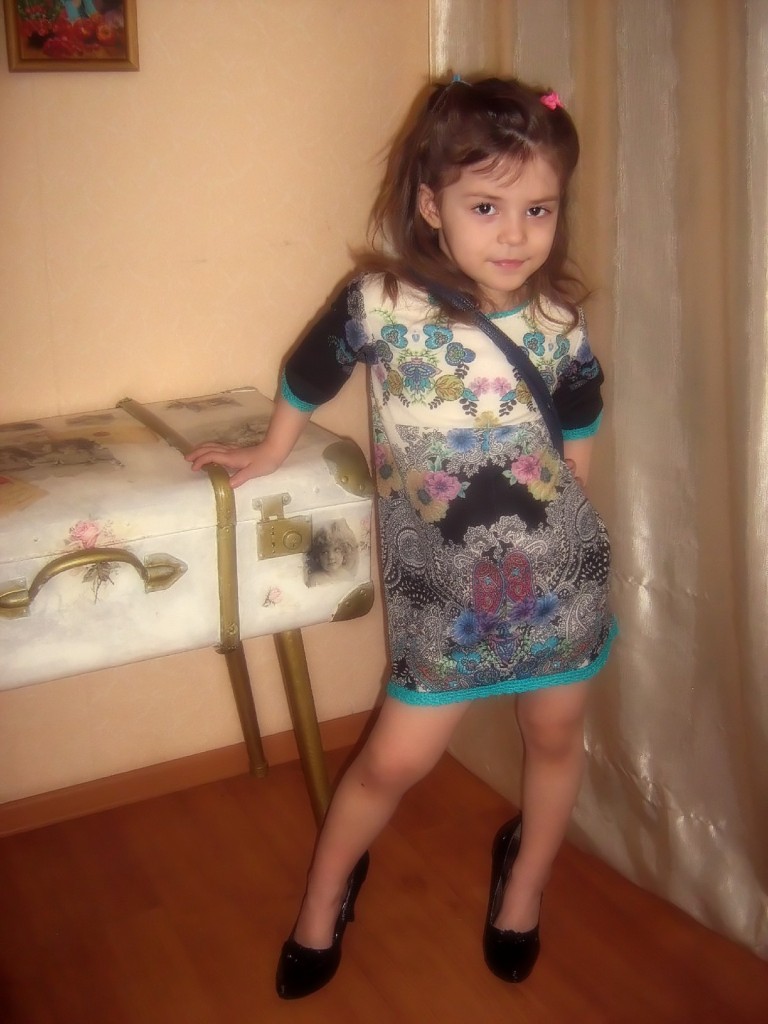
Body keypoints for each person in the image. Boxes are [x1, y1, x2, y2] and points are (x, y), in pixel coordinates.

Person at [187, 75, 616, 999]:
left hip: (558, 579)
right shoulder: (380, 303)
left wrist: (573, 495)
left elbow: (582, 409)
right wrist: (270, 450)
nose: (515, 234)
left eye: (538, 209)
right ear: (431, 205)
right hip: (442, 594)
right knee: (392, 760)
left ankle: (524, 889)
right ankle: (324, 901)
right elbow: (309, 369)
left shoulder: (558, 323)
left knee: (554, 735)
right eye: (486, 206)